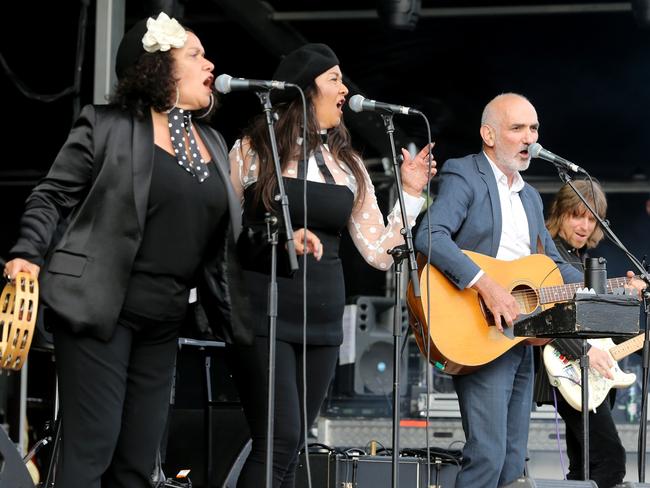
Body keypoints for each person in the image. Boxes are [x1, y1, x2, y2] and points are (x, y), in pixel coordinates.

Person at [3, 12, 254, 488]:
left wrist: (283, 239)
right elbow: (51, 195)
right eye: (195, 54)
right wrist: (27, 252)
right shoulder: (107, 125)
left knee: (139, 459)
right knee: (92, 443)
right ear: (160, 67)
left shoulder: (214, 144)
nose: (210, 64)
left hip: (163, 319)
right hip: (100, 307)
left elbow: (225, 234)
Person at [227, 43, 436, 488]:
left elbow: (380, 252)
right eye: (335, 79)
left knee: (295, 444)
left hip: (323, 317)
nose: (345, 89)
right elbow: (225, 232)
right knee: (278, 441)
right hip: (264, 308)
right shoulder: (252, 149)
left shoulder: (349, 165)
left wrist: (411, 195)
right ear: (305, 90)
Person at [414, 93, 585, 487]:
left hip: (519, 336)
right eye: (518, 128)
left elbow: (552, 265)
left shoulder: (529, 196)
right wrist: (485, 284)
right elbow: (428, 234)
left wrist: (602, 285)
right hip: (476, 327)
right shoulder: (464, 174)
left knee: (512, 461)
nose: (530, 137)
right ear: (488, 134)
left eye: (534, 128)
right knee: (487, 457)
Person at [534, 180, 626, 487]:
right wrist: (584, 353)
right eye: (577, 215)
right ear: (559, 214)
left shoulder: (581, 260)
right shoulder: (546, 256)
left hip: (591, 374)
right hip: (570, 371)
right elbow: (542, 314)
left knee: (584, 467)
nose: (585, 225)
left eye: (592, 218)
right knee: (610, 462)